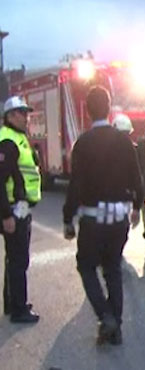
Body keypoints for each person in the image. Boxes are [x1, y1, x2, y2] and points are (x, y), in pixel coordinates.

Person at [62, 86, 144, 345]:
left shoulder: (82, 144)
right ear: (109, 108)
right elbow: (137, 178)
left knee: (86, 266)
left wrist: (68, 219)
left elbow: (75, 185)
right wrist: (136, 207)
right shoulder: (124, 141)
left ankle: (106, 316)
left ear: (87, 111)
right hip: (119, 220)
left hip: (93, 220)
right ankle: (115, 329)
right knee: (113, 270)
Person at [0, 96, 42, 323]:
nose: (26, 117)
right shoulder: (8, 141)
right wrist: (6, 215)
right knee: (18, 260)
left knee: (13, 259)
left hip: (19, 207)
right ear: (9, 116)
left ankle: (11, 303)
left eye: (26, 113)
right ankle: (19, 310)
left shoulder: (16, 138)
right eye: (21, 113)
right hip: (14, 209)